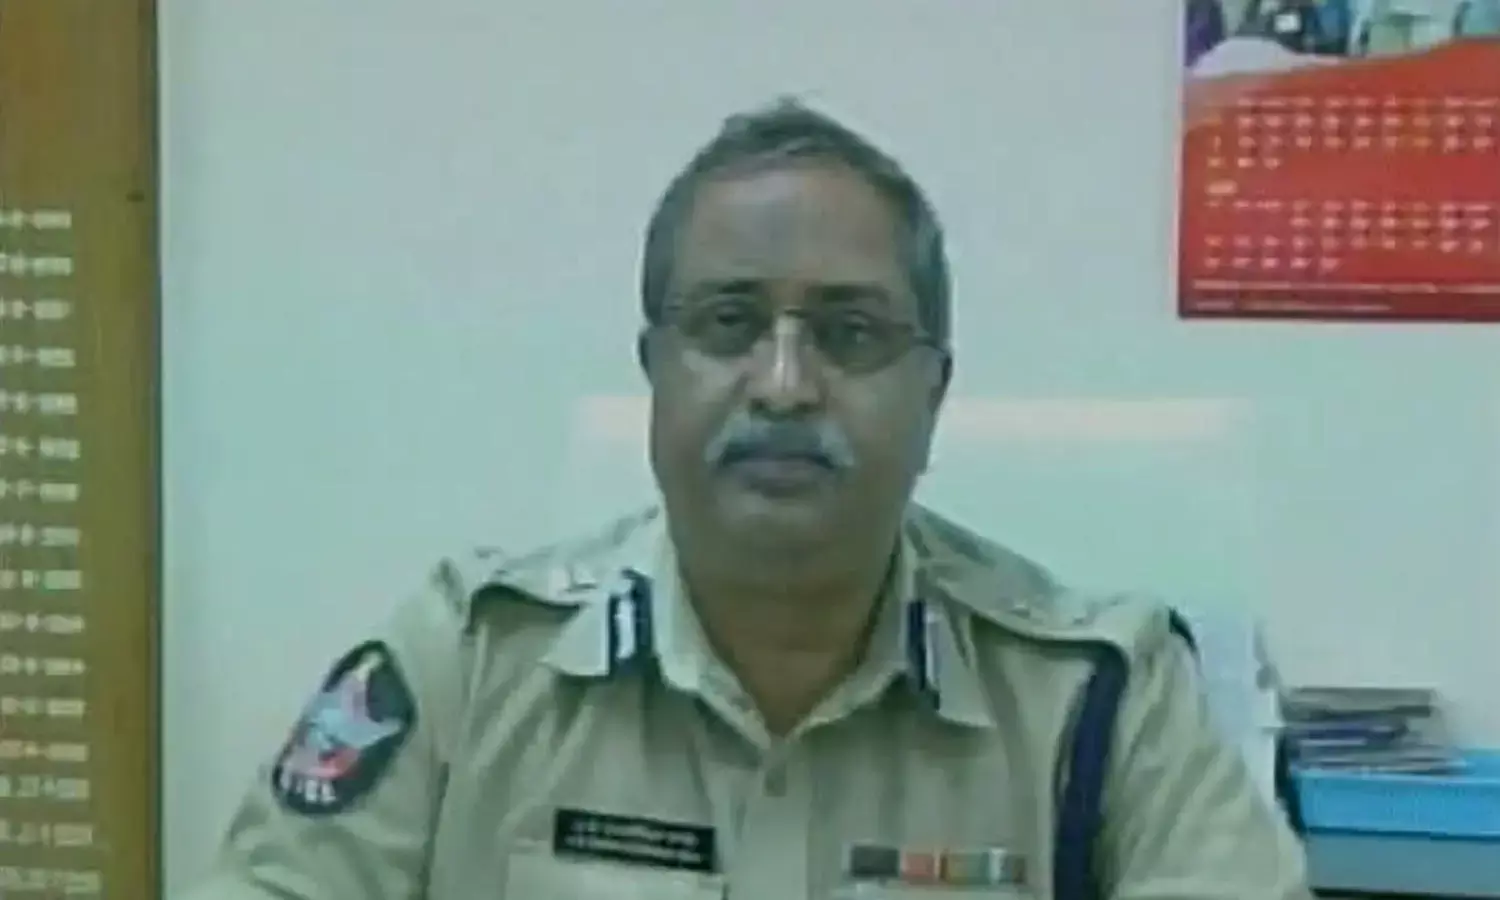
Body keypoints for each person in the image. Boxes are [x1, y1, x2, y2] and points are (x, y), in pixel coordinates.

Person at [178, 99, 1312, 900]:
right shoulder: (469, 661)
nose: (782, 383)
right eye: (728, 324)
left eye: (850, 333)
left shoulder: (1099, 696)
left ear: (933, 394)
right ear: (655, 371)